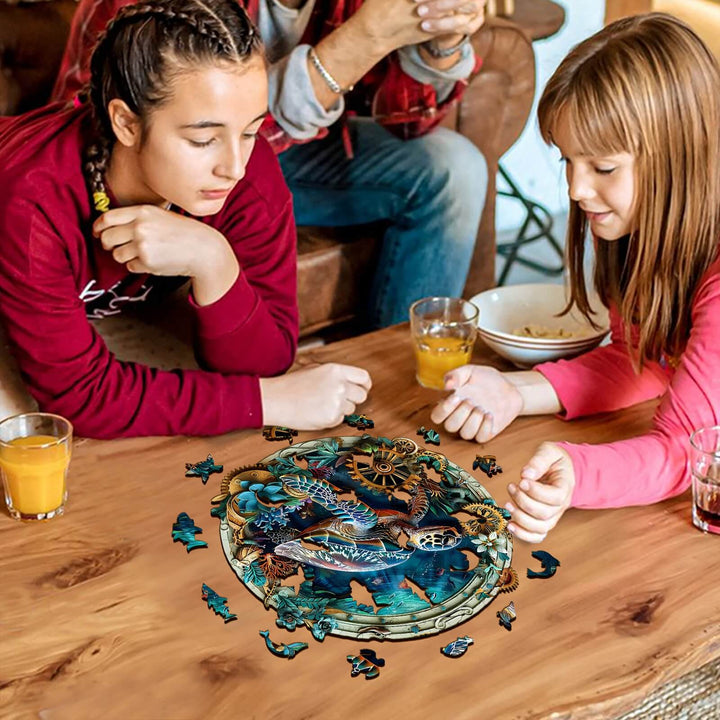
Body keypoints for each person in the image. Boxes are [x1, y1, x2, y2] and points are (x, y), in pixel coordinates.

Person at [0, 0, 371, 438]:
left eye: (250, 131)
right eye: (203, 139)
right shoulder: (32, 200)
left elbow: (268, 359)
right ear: (126, 123)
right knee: (21, 433)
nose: (234, 166)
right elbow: (82, 399)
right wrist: (270, 401)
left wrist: (214, 261)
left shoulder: (247, 170)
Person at [431, 13, 720, 542]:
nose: (575, 189)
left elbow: (689, 448)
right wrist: (515, 391)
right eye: (568, 160)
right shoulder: (642, 231)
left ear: (681, 158)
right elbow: (644, 358)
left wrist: (579, 473)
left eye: (603, 168)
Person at [51, 0, 489, 328]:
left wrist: (441, 42)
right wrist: (362, 40)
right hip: (153, 164)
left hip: (288, 149)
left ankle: (403, 372)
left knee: (454, 167)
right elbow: (107, 137)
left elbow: (410, 125)